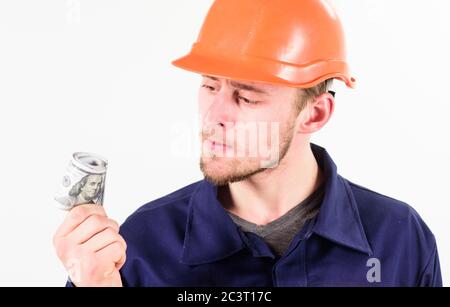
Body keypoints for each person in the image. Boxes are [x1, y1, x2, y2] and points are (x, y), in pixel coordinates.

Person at [53, 0, 442, 287]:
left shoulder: (400, 239)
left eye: (247, 97)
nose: (213, 115)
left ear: (316, 114)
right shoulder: (138, 245)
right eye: (209, 85)